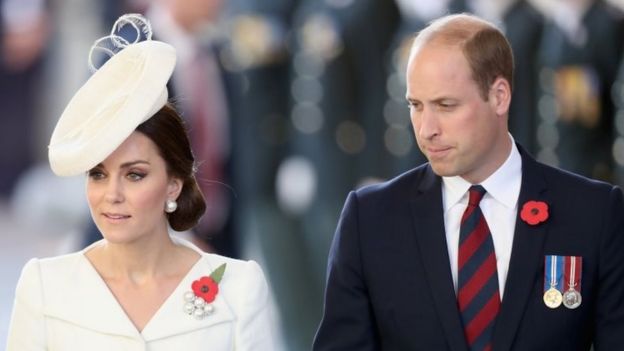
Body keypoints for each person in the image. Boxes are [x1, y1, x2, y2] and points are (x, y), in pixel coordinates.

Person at [313, 13, 624, 351]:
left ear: (499, 96)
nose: (426, 128)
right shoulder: (370, 219)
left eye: (446, 105)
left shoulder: (594, 214)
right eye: (416, 106)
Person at [6, 14, 275, 350]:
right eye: (98, 174)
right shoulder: (45, 286)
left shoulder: (239, 287)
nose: (112, 195)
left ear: (174, 184)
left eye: (135, 175)